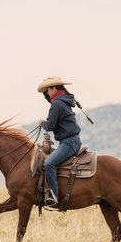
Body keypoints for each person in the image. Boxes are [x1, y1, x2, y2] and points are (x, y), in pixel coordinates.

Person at [37, 77, 82, 207]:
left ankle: (54, 195)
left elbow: (50, 126)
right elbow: (50, 99)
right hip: (72, 140)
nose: (47, 93)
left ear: (54, 89)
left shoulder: (57, 104)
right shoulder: (62, 101)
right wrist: (46, 88)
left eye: (48, 90)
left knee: (49, 163)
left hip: (69, 142)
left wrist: (42, 123)